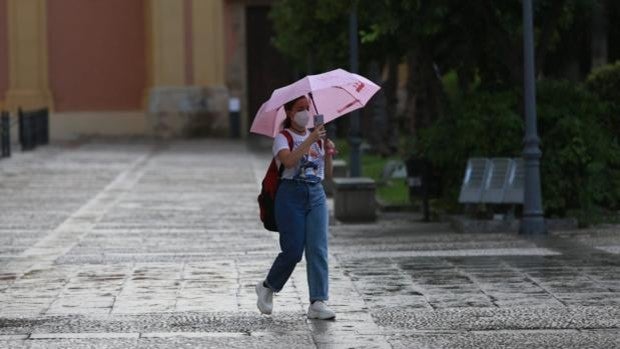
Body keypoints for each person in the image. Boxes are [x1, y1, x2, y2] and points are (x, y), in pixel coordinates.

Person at [256, 95, 337, 320]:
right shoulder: (282, 138)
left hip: (315, 193)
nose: (305, 113)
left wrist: (328, 152)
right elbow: (289, 162)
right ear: (290, 113)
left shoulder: (318, 139)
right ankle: (267, 286)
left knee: (318, 248)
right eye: (300, 108)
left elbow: (327, 175)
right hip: (290, 195)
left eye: (307, 108)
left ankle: (318, 302)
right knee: (293, 251)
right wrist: (311, 139)